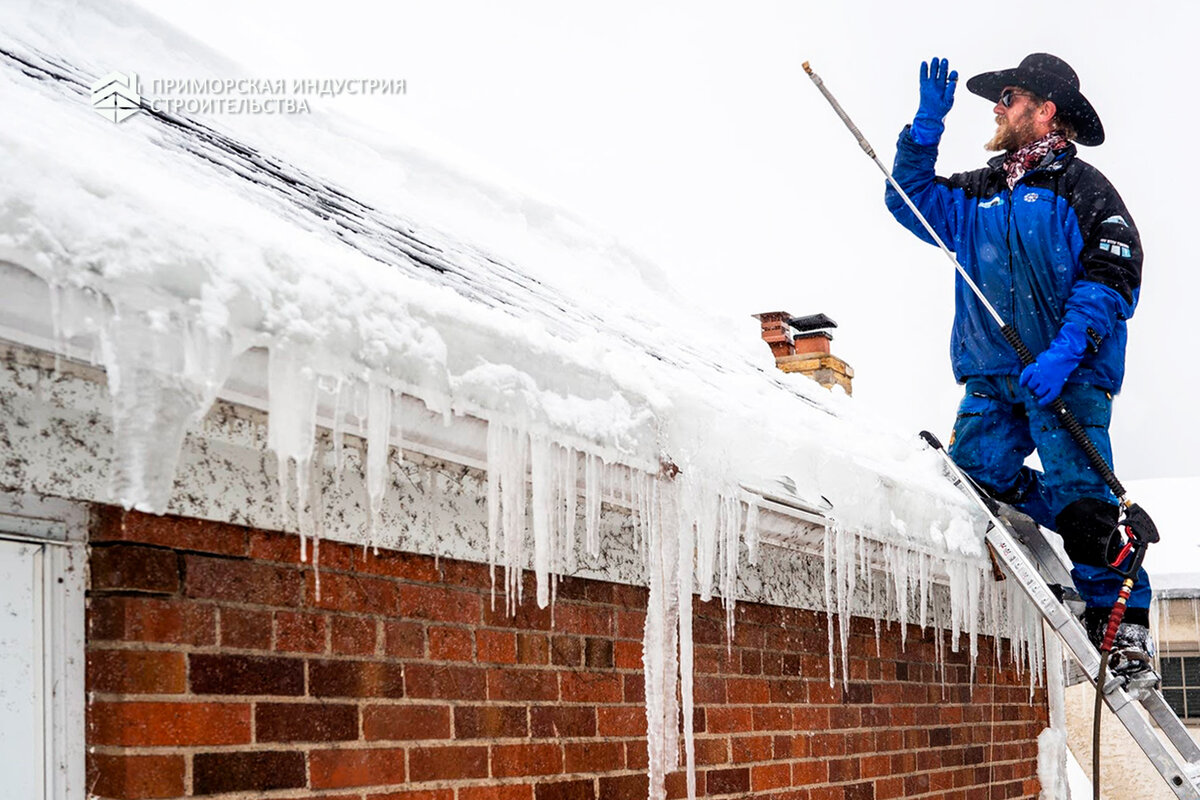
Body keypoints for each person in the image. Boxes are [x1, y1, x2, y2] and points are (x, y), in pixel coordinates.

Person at [884, 53, 1152, 676]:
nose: (997, 107)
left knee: (1084, 497)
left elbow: (1113, 277)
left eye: (1009, 97)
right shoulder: (974, 193)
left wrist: (1065, 352)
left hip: (1068, 375)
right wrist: (925, 128)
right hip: (991, 375)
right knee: (979, 478)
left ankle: (1124, 626)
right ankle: (1076, 519)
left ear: (1045, 109)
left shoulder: (1083, 189)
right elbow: (908, 199)